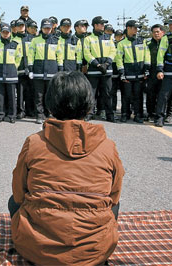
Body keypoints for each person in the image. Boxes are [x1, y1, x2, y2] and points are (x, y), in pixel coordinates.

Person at [9, 71, 124, 265]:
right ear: (89, 105)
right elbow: (114, 196)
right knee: (113, 205)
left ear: (51, 103)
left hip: (38, 249)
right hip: (94, 251)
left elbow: (19, 194)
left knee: (13, 202)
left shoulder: (34, 142)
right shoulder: (107, 146)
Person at [28, 18, 63, 124]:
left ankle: (50, 114)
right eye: (45, 28)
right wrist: (30, 69)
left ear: (51, 28)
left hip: (52, 71)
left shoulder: (56, 40)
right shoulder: (35, 40)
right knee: (39, 95)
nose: (47, 30)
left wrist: (60, 69)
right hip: (38, 71)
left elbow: (59, 55)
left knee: (51, 95)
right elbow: (30, 55)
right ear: (41, 28)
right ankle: (39, 114)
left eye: (48, 28)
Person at [115, 20, 150, 123]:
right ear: (128, 28)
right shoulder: (122, 43)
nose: (136, 30)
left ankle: (138, 115)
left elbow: (147, 55)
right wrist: (121, 72)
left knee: (138, 95)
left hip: (140, 72)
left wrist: (147, 69)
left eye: (137, 28)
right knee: (126, 95)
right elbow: (119, 58)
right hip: (128, 73)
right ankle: (125, 114)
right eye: (134, 28)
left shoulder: (142, 41)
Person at [83, 16, 117, 122]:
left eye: (103, 24)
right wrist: (97, 65)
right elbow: (86, 53)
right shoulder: (88, 38)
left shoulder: (109, 37)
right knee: (91, 93)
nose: (103, 26)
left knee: (107, 93)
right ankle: (89, 113)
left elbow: (113, 51)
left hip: (107, 70)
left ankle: (109, 115)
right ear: (95, 25)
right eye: (101, 24)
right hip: (94, 70)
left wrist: (107, 64)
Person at [0, 23, 22, 123]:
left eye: (7, 32)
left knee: (12, 96)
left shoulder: (15, 44)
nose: (5, 34)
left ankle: (12, 115)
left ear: (10, 33)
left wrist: (14, 66)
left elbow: (18, 58)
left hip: (11, 72)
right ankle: (1, 114)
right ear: (1, 33)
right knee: (0, 95)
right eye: (3, 32)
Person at [146, 24, 165, 121]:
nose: (156, 34)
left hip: (164, 71)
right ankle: (151, 114)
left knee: (163, 94)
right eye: (154, 32)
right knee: (151, 94)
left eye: (158, 32)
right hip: (152, 71)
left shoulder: (167, 43)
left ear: (163, 32)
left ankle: (161, 114)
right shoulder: (149, 44)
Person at [12, 19, 31, 119]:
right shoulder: (14, 40)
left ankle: (29, 110)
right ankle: (20, 111)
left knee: (29, 91)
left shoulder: (31, 39)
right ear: (15, 27)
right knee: (20, 92)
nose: (21, 27)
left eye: (22, 25)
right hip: (19, 68)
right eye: (19, 26)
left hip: (29, 69)